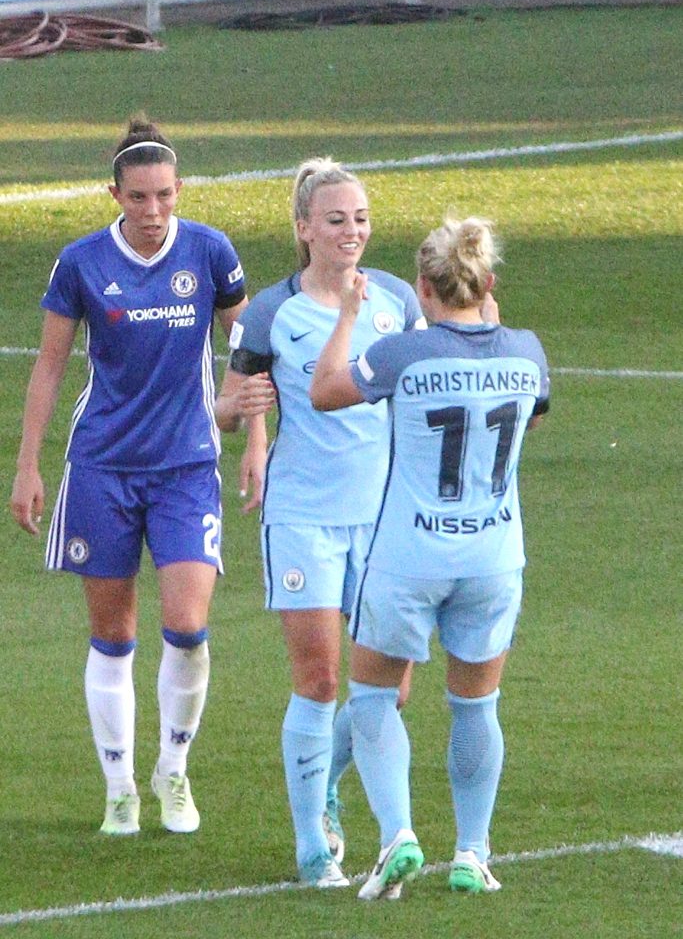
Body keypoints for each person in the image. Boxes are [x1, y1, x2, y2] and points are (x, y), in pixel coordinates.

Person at [10, 116, 268, 837]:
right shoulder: (81, 263)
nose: (153, 213)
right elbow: (51, 365)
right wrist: (29, 464)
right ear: (114, 194)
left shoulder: (209, 252)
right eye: (138, 198)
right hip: (102, 468)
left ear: (179, 189)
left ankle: (173, 772)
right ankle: (120, 786)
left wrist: (254, 443)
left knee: (187, 627)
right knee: (113, 635)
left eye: (163, 196)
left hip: (186, 467)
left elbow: (248, 353)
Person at [310, 214, 549, 899]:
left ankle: (397, 835)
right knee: (476, 707)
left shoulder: (402, 355)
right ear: (488, 283)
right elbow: (531, 412)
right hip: (494, 556)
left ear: (422, 287)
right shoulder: (526, 350)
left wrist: (349, 318)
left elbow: (325, 390)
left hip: (409, 557)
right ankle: (472, 853)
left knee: (375, 699)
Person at [215, 157, 425, 887]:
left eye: (360, 218)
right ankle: (312, 846)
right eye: (335, 220)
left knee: (389, 691)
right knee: (319, 677)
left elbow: (426, 391)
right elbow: (223, 402)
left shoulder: (396, 300)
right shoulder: (272, 313)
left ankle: (326, 784)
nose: (351, 231)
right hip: (303, 517)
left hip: (383, 523)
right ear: (304, 229)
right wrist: (237, 413)